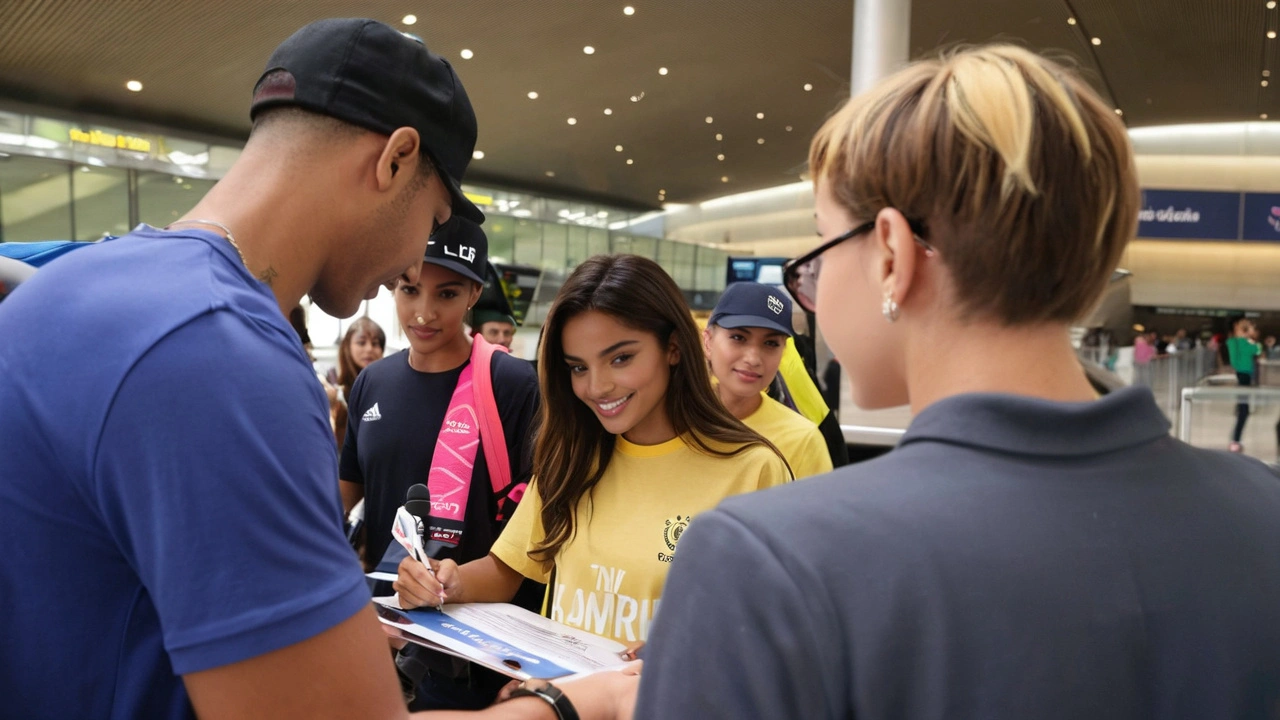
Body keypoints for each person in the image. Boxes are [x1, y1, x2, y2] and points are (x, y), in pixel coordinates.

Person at [0, 17, 634, 720]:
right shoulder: (220, 358)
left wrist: (323, 638)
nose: (413, 263)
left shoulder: (70, 287)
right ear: (395, 160)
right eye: (431, 217)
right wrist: (573, 703)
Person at [636, 45, 1280, 719]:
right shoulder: (1262, 514)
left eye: (822, 249)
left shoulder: (766, 565)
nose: (814, 288)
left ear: (891, 252)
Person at [394, 254, 792, 646]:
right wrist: (447, 581)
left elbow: (775, 628)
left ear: (673, 347)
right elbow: (509, 567)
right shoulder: (570, 458)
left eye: (621, 358)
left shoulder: (754, 470)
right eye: (578, 367)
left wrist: (686, 651)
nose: (597, 387)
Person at [702, 282, 832, 479]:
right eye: (738, 337)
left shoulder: (802, 440)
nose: (753, 359)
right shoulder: (669, 421)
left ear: (784, 351)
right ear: (708, 341)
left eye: (770, 343)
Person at [1227, 317, 1262, 453]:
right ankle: (1235, 440)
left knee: (1243, 407)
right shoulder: (1242, 343)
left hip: (1245, 374)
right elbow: (1257, 350)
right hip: (1244, 375)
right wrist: (1253, 341)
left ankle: (1236, 439)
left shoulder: (1240, 342)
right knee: (1243, 409)